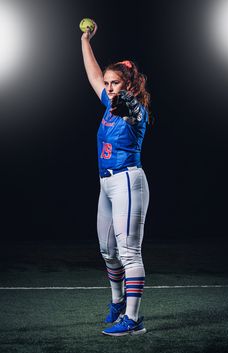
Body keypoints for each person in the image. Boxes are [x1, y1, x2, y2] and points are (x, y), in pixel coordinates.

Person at [81, 20, 151, 336]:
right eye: (107, 84)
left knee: (129, 252)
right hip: (106, 184)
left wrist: (126, 92)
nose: (108, 87)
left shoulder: (136, 108)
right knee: (108, 251)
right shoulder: (109, 102)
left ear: (129, 86)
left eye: (115, 83)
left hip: (128, 180)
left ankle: (133, 320)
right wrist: (86, 41)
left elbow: (131, 109)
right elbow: (94, 74)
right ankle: (118, 303)